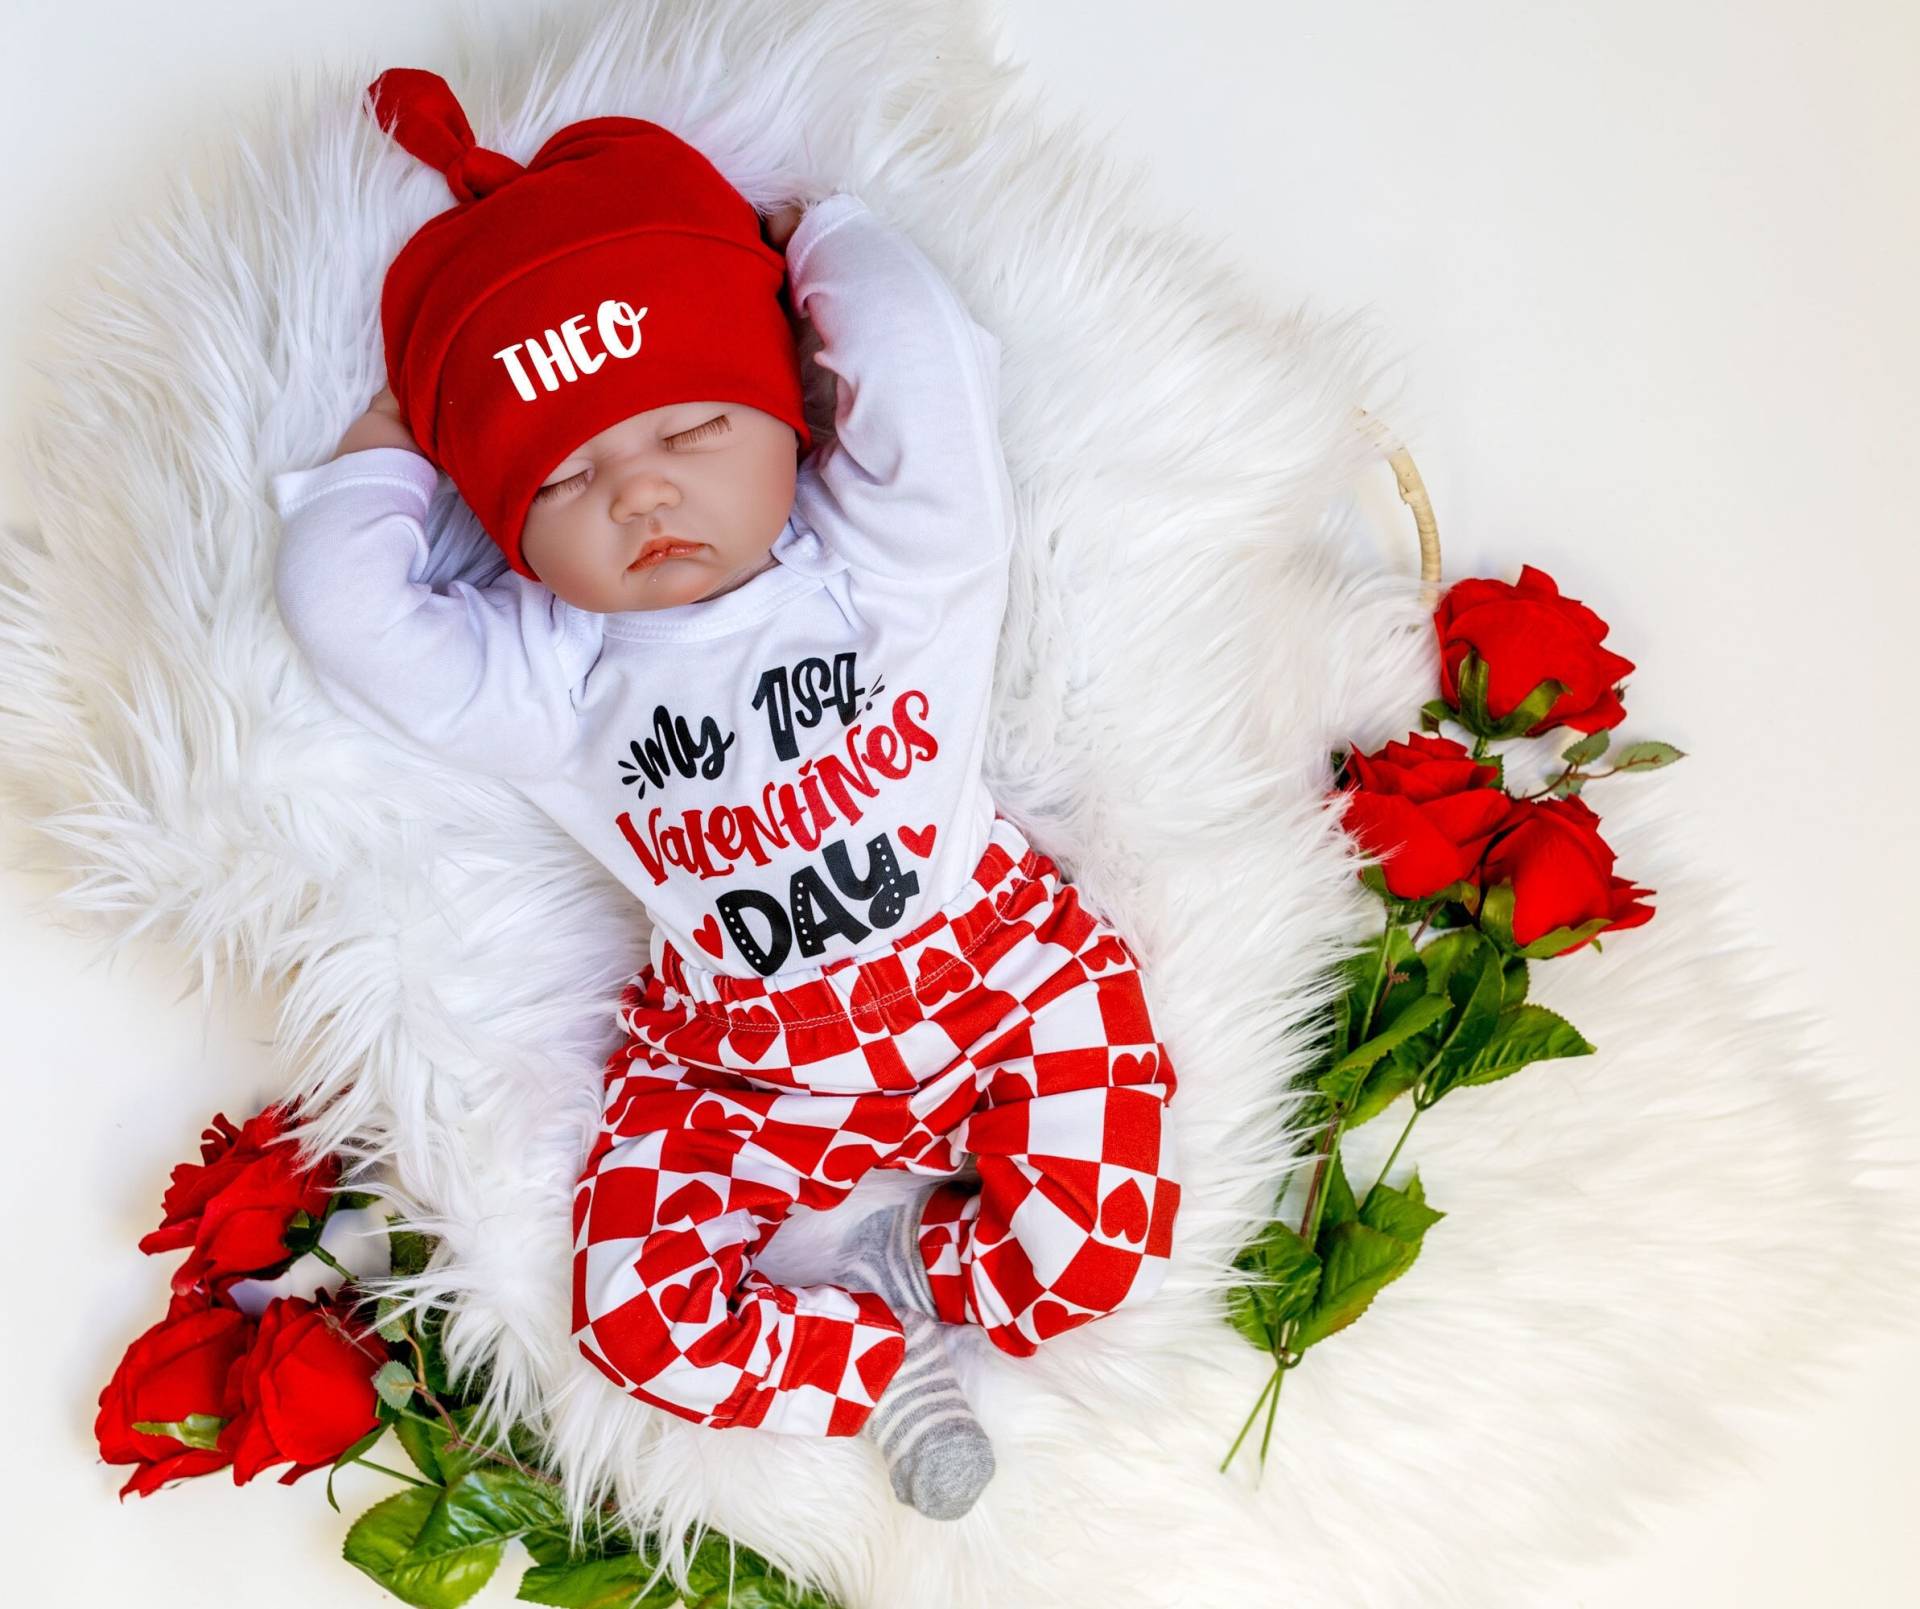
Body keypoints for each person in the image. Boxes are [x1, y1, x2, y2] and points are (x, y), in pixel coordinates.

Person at [269, 67, 1182, 1522]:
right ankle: (872, 1364)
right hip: (740, 1059)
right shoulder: (551, 676)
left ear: (789, 413)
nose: (643, 494)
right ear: (506, 534)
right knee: (633, 1322)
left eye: (693, 432)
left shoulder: (897, 565)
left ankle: (919, 1264)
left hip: (997, 975)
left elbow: (930, 365)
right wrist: (400, 421)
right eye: (566, 477)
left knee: (1090, 1257)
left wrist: (811, 237)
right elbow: (344, 609)